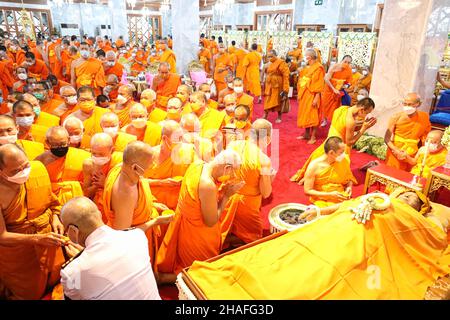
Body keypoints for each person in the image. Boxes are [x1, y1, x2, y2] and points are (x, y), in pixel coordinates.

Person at [188, 189, 450, 300]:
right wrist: (319, 212)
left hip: (364, 244)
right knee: (292, 251)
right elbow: (346, 206)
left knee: (332, 271)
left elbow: (430, 238)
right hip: (333, 229)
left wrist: (408, 216)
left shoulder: (413, 218)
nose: (406, 198)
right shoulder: (375, 198)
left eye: (413, 199)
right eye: (404, 194)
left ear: (420, 208)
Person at [157, 149, 244, 283]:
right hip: (197, 233)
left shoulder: (198, 164)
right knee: (201, 270)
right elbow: (211, 221)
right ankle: (166, 279)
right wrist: (226, 196)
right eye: (233, 172)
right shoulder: (207, 185)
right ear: (227, 168)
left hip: (183, 223)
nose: (233, 176)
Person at [60, 197, 161, 300]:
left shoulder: (72, 271)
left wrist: (78, 262)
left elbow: (75, 296)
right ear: (99, 214)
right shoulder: (137, 236)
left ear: (73, 231)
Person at [0, 144, 66, 300]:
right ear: (1, 172)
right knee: (29, 293)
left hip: (49, 240)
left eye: (25, 165)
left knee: (56, 278)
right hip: (19, 254)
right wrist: (38, 239)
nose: (24, 172)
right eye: (15, 171)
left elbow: (52, 203)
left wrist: (56, 218)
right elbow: (2, 236)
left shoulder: (37, 169)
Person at [103, 141, 173, 269]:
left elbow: (140, 187)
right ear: (135, 167)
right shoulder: (125, 192)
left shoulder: (121, 167)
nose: (154, 165)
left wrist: (151, 204)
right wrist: (156, 221)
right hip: (132, 245)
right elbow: (123, 235)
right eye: (150, 163)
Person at [291, 98, 376, 184]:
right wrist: (364, 128)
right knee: (336, 175)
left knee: (320, 162)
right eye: (367, 113)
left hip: (328, 142)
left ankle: (308, 177)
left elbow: (342, 126)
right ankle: (314, 179)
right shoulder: (351, 121)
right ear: (361, 110)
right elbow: (350, 142)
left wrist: (360, 124)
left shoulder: (341, 109)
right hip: (338, 148)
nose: (366, 116)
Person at [220, 119, 275, 246]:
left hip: (226, 198)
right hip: (247, 205)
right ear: (267, 139)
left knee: (223, 228)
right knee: (254, 238)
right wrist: (269, 177)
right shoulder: (263, 160)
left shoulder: (232, 146)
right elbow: (266, 193)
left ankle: (225, 239)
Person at [145, 120, 197, 210]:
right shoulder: (149, 154)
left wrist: (185, 180)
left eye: (182, 137)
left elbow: (197, 176)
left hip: (180, 205)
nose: (181, 142)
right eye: (178, 138)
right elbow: (137, 181)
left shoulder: (189, 151)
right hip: (154, 204)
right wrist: (161, 182)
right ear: (165, 138)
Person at [35, 126, 91, 205]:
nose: (60, 147)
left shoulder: (83, 157)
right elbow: (39, 189)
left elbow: (88, 186)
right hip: (51, 204)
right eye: (55, 144)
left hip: (78, 203)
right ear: (47, 143)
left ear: (68, 140)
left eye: (62, 144)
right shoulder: (40, 161)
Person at [303, 136, 356, 207]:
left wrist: (349, 187)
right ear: (331, 153)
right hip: (321, 198)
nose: (344, 155)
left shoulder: (343, 160)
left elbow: (349, 178)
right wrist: (330, 195)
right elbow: (307, 191)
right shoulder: (314, 166)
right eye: (341, 152)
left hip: (339, 195)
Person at [384, 93, 431, 171]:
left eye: (410, 104)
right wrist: (396, 150)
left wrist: (422, 152)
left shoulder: (424, 117)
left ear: (418, 104)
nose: (407, 107)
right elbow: (386, 139)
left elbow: (425, 137)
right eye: (405, 104)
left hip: (413, 151)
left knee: (408, 175)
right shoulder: (396, 117)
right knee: (392, 173)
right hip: (396, 151)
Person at [82, 133, 122, 220]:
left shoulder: (120, 163)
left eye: (101, 154)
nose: (97, 157)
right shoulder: (88, 164)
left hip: (115, 206)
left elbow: (125, 192)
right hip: (97, 208)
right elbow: (86, 193)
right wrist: (97, 185)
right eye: (94, 153)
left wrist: (106, 184)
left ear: (112, 150)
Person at [296, 48, 325, 145]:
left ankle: (313, 136)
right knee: (306, 114)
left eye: (306, 55)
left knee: (313, 115)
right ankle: (307, 134)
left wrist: (317, 97)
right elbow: (303, 79)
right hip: (305, 94)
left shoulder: (318, 68)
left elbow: (319, 84)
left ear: (311, 56)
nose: (305, 56)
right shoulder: (308, 67)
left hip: (313, 94)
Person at [320, 55, 353, 126]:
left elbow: (349, 81)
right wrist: (333, 89)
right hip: (329, 89)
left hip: (339, 90)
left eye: (348, 63)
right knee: (326, 105)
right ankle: (325, 120)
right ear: (341, 61)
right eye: (345, 62)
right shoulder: (334, 67)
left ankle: (333, 121)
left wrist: (346, 86)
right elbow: (326, 79)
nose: (346, 64)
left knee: (335, 106)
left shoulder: (349, 69)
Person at [263, 50, 290, 123]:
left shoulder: (281, 62)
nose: (270, 58)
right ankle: (265, 114)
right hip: (269, 84)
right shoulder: (268, 64)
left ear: (276, 55)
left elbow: (286, 75)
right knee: (267, 99)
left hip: (278, 85)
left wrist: (285, 89)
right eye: (268, 57)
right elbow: (265, 73)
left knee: (278, 100)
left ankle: (279, 116)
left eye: (271, 56)